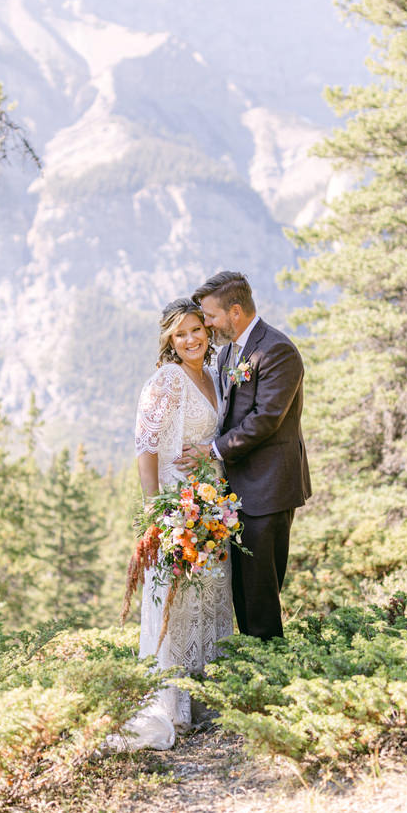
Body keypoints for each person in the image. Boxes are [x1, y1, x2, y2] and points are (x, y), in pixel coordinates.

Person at [108, 298, 232, 751]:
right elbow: (145, 446)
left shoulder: (216, 376)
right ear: (169, 341)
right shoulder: (165, 381)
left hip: (214, 505)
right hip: (179, 505)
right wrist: (158, 510)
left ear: (207, 330)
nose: (191, 339)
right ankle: (173, 704)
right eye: (180, 334)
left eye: (197, 329)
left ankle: (206, 697)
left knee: (210, 596)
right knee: (177, 601)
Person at [181, 271, 311, 640]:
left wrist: (212, 450)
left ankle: (269, 672)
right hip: (236, 490)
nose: (206, 324)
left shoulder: (277, 350)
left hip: (268, 488)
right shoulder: (228, 353)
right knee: (242, 591)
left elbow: (266, 419)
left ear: (234, 311)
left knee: (261, 592)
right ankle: (253, 666)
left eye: (210, 316)